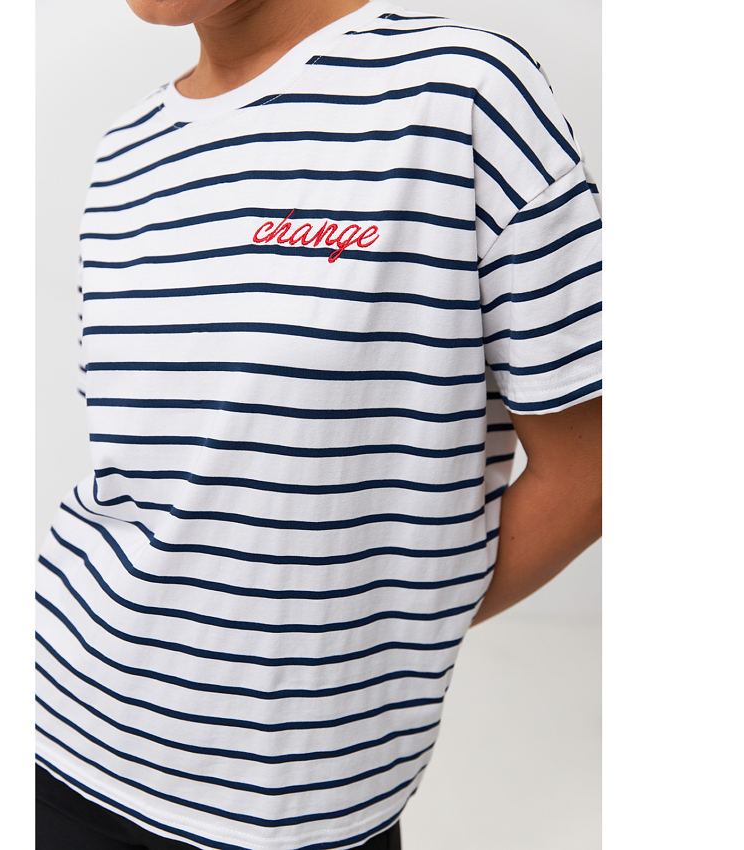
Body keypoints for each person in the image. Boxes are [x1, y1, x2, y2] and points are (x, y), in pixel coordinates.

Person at [35, 1, 602, 848]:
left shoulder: (462, 94)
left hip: (290, 803)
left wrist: (361, 644)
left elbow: (592, 472)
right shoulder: (127, 153)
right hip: (53, 719)